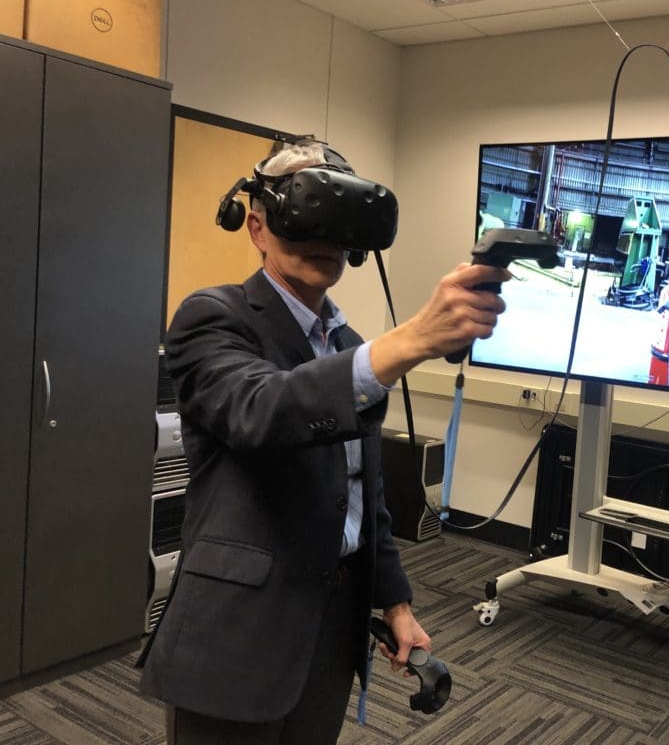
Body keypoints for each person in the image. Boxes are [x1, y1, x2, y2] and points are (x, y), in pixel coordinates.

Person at [138, 140, 510, 744]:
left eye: (336, 221)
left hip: (330, 624)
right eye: (302, 213)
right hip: (238, 631)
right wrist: (413, 338)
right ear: (256, 226)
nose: (322, 237)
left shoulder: (349, 348)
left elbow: (366, 497)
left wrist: (395, 603)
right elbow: (261, 411)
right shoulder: (214, 316)